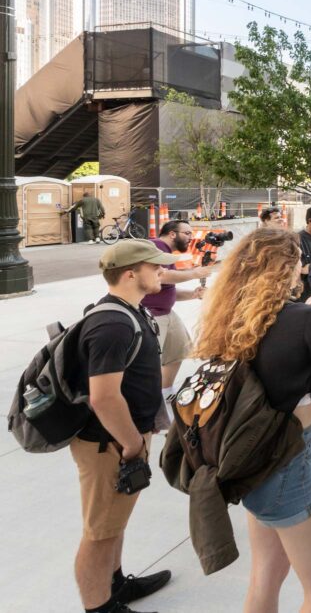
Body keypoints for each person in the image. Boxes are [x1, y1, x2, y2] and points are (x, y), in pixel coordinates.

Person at [193, 228, 311, 613]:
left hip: (249, 459)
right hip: (288, 462)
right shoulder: (307, 320)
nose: (303, 267)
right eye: (298, 262)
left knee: (266, 578)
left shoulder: (228, 315)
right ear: (285, 268)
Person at [73, 240, 178, 613]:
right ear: (131, 273)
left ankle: (115, 585)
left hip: (122, 438)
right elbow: (104, 397)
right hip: (110, 443)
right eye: (156, 266)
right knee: (99, 532)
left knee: (114, 522)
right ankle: (99, 606)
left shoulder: (129, 312)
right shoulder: (113, 324)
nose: (162, 272)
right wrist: (133, 444)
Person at [141, 220, 213, 428]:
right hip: (152, 315)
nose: (191, 237)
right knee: (151, 361)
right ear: (172, 234)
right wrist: (194, 273)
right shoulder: (157, 246)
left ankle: (165, 392)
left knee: (179, 350)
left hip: (166, 312)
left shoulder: (169, 253)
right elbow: (161, 276)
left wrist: (193, 294)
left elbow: (167, 290)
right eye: (187, 233)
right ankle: (152, 406)